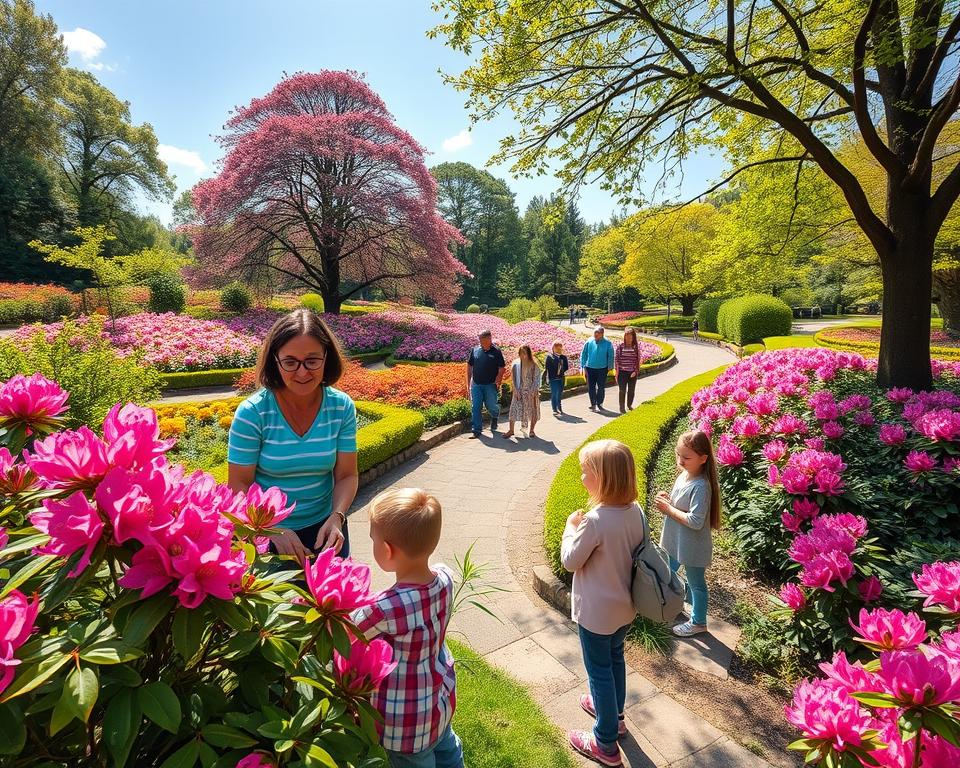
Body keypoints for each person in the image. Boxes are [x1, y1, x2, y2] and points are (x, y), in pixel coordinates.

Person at [228, 309, 357, 561]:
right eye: (290, 362)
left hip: (326, 530)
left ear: (326, 358)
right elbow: (238, 485)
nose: (302, 372)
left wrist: (337, 516)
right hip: (268, 537)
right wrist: (268, 529)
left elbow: (346, 475)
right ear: (274, 361)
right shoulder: (253, 413)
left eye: (312, 361)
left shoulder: (341, 407)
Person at [351, 488, 462, 768]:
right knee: (448, 750)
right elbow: (442, 571)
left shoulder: (386, 608)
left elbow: (348, 629)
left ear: (388, 551)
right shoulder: (445, 578)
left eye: (373, 540)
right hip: (439, 700)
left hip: (406, 722)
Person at [561, 440, 645, 767]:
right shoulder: (635, 511)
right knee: (614, 661)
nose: (582, 477)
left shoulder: (595, 521)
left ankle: (605, 743)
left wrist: (571, 528)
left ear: (603, 478)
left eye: (586, 472)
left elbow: (570, 561)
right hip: (625, 608)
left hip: (596, 614)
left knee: (599, 672)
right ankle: (614, 714)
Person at [654, 430, 722, 637]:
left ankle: (699, 622)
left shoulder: (701, 486)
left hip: (692, 545)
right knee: (669, 574)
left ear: (703, 459)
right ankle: (676, 607)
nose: (680, 460)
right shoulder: (685, 475)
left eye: (686, 457)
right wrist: (668, 499)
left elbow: (695, 520)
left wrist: (668, 509)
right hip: (675, 541)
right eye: (678, 455)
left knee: (696, 584)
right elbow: (680, 505)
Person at [466, 330, 506, 439]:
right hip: (476, 384)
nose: (479, 341)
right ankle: (476, 430)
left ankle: (495, 416)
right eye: (479, 339)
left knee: (491, 406)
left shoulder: (496, 351)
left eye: (481, 339)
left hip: (490, 385)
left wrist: (498, 380)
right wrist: (468, 382)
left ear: (489, 339)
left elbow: (502, 368)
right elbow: (469, 366)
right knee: (476, 407)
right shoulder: (475, 350)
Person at [503, 344, 542, 438]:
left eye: (525, 353)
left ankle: (532, 430)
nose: (523, 355)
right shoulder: (516, 364)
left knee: (533, 410)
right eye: (521, 353)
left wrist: (532, 392)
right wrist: (515, 390)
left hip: (531, 391)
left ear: (529, 353)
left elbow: (537, 379)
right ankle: (511, 430)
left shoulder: (534, 364)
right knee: (513, 409)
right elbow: (513, 378)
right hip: (519, 391)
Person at [579, 327, 615, 411]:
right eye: (595, 332)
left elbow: (611, 355)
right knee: (591, 387)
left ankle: (599, 403)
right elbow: (583, 354)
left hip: (602, 368)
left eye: (598, 333)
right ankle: (593, 403)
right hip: (590, 368)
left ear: (602, 334)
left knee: (601, 387)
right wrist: (582, 365)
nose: (595, 334)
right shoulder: (589, 341)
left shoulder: (608, 343)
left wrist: (610, 367)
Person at [614, 327, 641, 414]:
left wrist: (635, 371)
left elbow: (638, 360)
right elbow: (617, 360)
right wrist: (617, 372)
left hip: (632, 373)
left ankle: (629, 405)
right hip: (622, 372)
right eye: (627, 336)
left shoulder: (635, 347)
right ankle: (621, 408)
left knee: (631, 390)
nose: (628, 338)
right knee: (622, 390)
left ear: (633, 337)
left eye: (630, 336)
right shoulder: (621, 347)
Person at [543, 340, 569, 416]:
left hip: (561, 378)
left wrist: (561, 369)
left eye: (560, 348)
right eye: (556, 347)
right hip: (553, 378)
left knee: (559, 393)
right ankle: (554, 409)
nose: (558, 349)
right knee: (554, 393)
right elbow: (547, 367)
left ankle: (559, 408)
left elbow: (566, 367)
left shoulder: (563, 357)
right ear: (553, 348)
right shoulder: (550, 357)